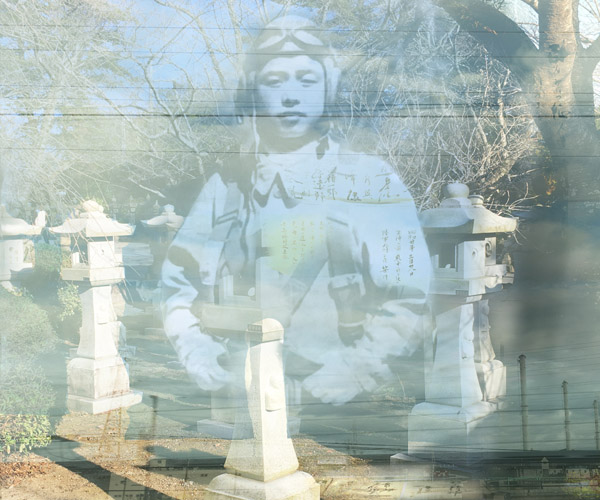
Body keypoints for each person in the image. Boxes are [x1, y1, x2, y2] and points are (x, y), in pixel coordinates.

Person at [160, 15, 432, 405]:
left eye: (306, 80)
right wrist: (197, 351)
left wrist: (357, 369)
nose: (290, 96)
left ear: (328, 87)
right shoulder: (226, 188)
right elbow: (177, 286)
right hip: (240, 397)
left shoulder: (371, 180)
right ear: (253, 91)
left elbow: (411, 297)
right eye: (274, 81)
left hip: (340, 410)